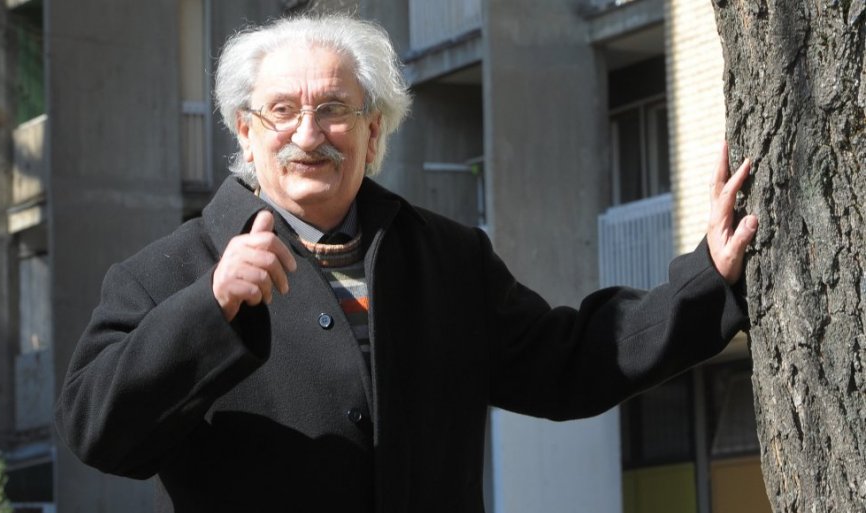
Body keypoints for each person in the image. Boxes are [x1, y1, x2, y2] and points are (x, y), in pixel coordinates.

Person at [55, 13, 759, 513]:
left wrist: (707, 278)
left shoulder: (446, 257)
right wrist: (209, 308)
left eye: (334, 109)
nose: (309, 133)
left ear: (373, 130)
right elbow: (95, 430)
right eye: (282, 110)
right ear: (246, 130)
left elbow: (570, 363)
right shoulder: (168, 272)